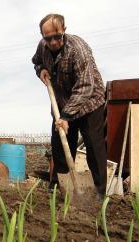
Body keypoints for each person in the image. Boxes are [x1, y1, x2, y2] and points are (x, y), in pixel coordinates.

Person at [32, 14, 107, 199]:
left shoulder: (78, 50)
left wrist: (65, 117)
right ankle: (59, 186)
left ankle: (99, 191)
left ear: (64, 30)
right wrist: (40, 70)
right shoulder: (43, 46)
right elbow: (36, 62)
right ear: (42, 36)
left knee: (93, 144)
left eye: (57, 36)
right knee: (60, 144)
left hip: (90, 102)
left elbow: (85, 86)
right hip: (62, 101)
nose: (53, 41)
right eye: (48, 38)